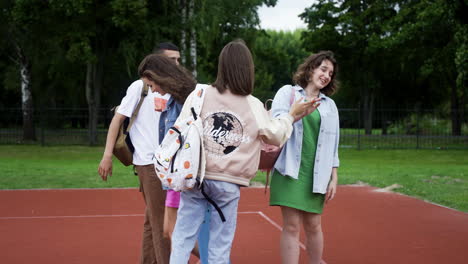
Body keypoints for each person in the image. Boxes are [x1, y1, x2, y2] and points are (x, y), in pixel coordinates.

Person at [168, 40, 321, 264]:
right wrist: (291, 116)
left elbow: (181, 127)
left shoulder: (199, 93)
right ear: (247, 70)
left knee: (183, 237)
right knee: (220, 245)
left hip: (196, 176)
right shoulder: (253, 104)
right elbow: (275, 135)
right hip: (228, 181)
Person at [98, 48, 195, 264]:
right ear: (159, 64)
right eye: (171, 60)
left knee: (153, 222)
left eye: (179, 59)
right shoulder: (141, 87)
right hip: (151, 165)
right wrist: (107, 155)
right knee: (164, 225)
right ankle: (209, 254)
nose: (177, 63)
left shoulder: (176, 91)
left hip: (171, 165)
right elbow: (117, 119)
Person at [269, 50, 340, 264]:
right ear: (311, 69)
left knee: (314, 225)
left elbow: (334, 143)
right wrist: (297, 112)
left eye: (330, 73)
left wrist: (334, 177)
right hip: (289, 169)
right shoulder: (287, 93)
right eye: (323, 69)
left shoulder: (330, 105)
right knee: (291, 226)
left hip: (316, 173)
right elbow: (276, 124)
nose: (327, 75)